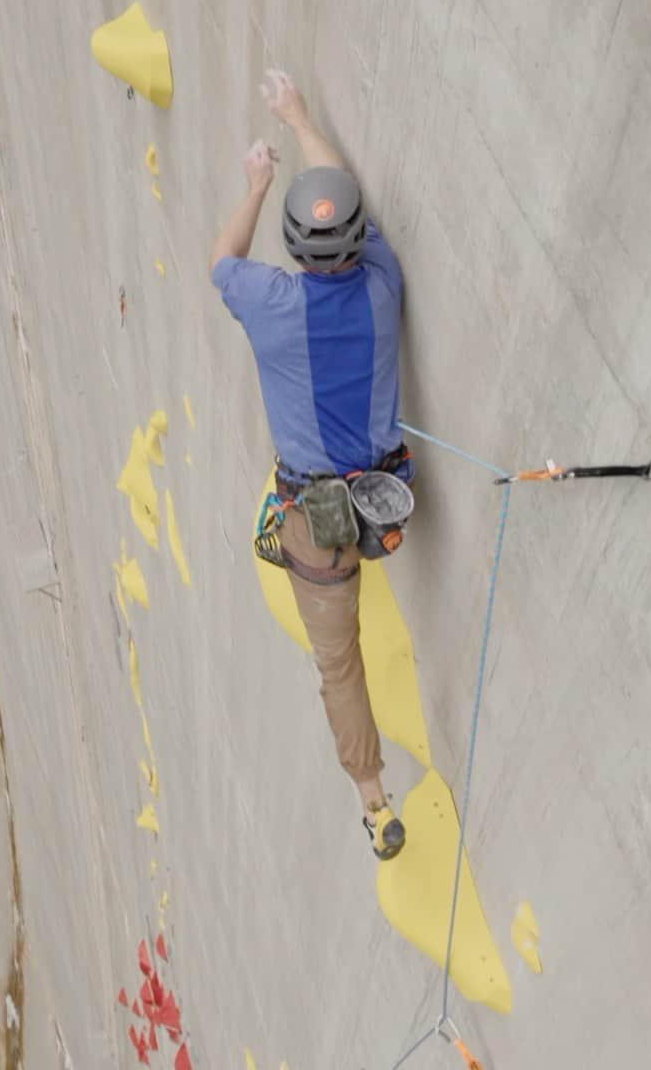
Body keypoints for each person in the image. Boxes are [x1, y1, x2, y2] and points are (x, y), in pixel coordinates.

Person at [209, 70, 415, 860]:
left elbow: (221, 260)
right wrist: (298, 116)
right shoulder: (384, 283)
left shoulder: (268, 303)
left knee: (339, 663)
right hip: (388, 496)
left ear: (295, 251)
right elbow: (347, 200)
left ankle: (373, 803)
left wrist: (257, 184)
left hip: (315, 525)